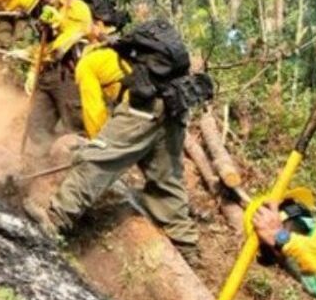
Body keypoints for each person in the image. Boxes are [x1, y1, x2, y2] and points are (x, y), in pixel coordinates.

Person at [24, 38, 201, 262]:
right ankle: (186, 246)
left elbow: (94, 114)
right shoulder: (120, 59)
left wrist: (94, 146)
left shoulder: (87, 65)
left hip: (143, 107)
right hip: (175, 105)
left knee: (98, 159)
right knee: (166, 178)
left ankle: (56, 218)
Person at [16, 0, 94, 157]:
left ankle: (77, 165)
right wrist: (33, 67)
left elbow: (73, 36)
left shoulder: (76, 6)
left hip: (68, 73)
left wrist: (58, 25)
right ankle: (43, 164)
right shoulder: (46, 14)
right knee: (36, 125)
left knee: (75, 125)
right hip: (47, 76)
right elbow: (45, 47)